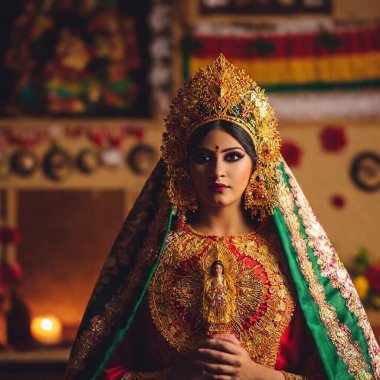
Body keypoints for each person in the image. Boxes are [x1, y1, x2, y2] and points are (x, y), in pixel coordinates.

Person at [65, 55, 380, 380]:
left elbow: (347, 373)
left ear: (257, 164)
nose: (218, 172)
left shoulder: (291, 262)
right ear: (182, 165)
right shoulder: (153, 257)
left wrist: (259, 376)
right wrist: (176, 375)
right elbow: (96, 371)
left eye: (233, 157)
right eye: (203, 158)